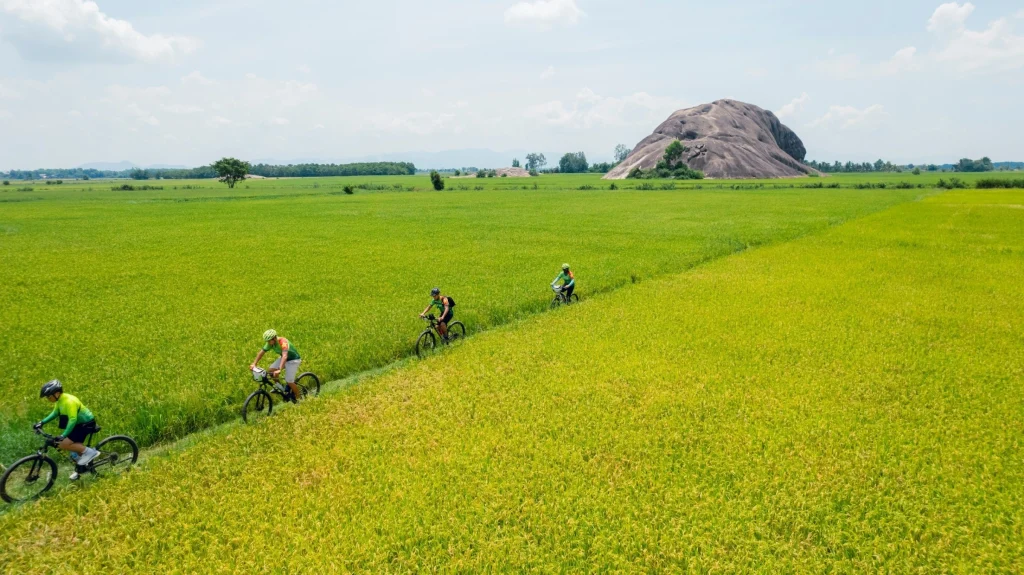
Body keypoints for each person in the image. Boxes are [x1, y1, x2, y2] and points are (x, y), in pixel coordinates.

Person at [34, 380, 100, 480]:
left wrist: (64, 435)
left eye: (49, 396)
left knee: (64, 444)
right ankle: (81, 469)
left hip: (86, 424)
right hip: (79, 424)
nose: (48, 398)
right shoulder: (60, 401)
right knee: (72, 450)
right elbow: (55, 413)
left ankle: (90, 452)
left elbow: (72, 419)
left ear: (56, 393)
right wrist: (42, 422)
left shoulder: (69, 401)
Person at [250, 329, 303, 402]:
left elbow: (285, 356)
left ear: (274, 338)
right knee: (271, 371)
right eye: (267, 341)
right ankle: (280, 388)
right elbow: (262, 352)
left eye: (269, 341)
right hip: (284, 358)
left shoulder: (283, 342)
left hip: (293, 360)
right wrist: (254, 363)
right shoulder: (270, 343)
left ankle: (299, 398)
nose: (268, 343)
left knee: (289, 381)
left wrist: (279, 369)